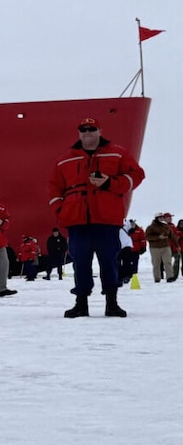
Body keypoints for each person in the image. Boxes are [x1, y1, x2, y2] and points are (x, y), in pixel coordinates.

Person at [47, 117, 146, 317]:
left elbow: (137, 175)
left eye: (92, 129)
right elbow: (54, 186)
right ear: (79, 133)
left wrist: (110, 183)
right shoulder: (65, 158)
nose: (87, 132)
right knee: (80, 262)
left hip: (106, 220)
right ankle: (81, 303)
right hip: (77, 220)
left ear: (100, 131)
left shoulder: (118, 153)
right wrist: (60, 210)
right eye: (83, 129)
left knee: (109, 261)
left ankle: (112, 303)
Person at [145, 213, 172, 284]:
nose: (162, 218)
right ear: (157, 218)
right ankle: (157, 278)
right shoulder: (150, 227)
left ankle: (169, 277)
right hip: (155, 248)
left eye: (162, 217)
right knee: (156, 263)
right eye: (160, 217)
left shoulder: (166, 226)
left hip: (166, 246)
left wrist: (177, 245)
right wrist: (158, 237)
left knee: (168, 262)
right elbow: (147, 237)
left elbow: (172, 235)